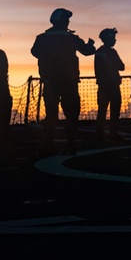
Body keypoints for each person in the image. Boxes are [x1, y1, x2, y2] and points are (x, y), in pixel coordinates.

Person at [31, 8, 96, 154]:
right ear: (62, 21)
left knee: (51, 114)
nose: (68, 22)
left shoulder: (42, 38)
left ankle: (49, 144)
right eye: (66, 20)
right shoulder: (71, 38)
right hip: (69, 82)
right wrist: (91, 44)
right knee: (72, 113)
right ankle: (71, 143)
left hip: (50, 82)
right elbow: (87, 51)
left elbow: (35, 52)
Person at [94, 27, 125, 145]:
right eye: (114, 37)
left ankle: (100, 135)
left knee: (102, 111)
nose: (115, 40)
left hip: (102, 86)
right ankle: (113, 134)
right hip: (112, 86)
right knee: (114, 111)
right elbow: (121, 66)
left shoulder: (99, 52)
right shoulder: (111, 52)